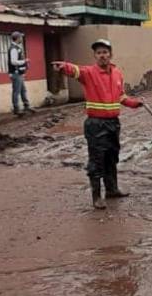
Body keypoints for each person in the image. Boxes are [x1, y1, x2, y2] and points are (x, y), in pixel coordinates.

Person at [52, 39, 144, 209]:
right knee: (97, 160)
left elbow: (121, 96)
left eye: (105, 52)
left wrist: (135, 103)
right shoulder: (88, 73)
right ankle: (96, 196)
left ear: (111, 54)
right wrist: (64, 67)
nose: (102, 55)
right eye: (99, 53)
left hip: (113, 124)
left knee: (111, 157)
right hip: (96, 125)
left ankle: (112, 189)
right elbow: (75, 70)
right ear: (95, 56)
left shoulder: (117, 73)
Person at [9, 31, 33, 117]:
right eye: (20, 37)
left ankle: (26, 106)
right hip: (16, 73)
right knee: (16, 91)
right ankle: (16, 109)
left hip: (19, 73)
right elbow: (13, 62)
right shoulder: (13, 49)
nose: (21, 39)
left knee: (23, 90)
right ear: (17, 38)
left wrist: (24, 66)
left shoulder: (17, 47)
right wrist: (24, 61)